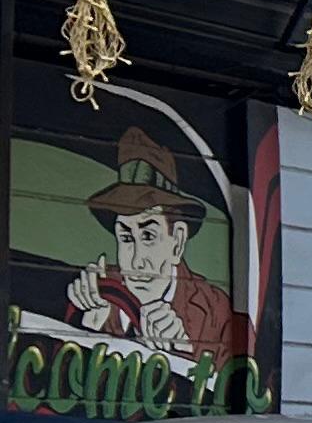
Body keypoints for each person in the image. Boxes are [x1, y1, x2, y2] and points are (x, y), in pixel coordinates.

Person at [63, 128, 249, 366]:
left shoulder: (214, 311)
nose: (136, 260)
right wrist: (90, 327)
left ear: (177, 242)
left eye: (149, 236)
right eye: (126, 238)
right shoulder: (102, 291)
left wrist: (182, 351)